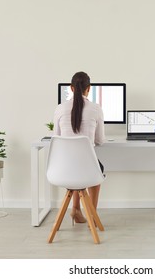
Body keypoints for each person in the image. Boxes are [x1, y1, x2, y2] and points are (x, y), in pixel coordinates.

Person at [53, 71, 105, 224]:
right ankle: (92, 216)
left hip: (63, 169)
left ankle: (75, 208)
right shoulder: (95, 109)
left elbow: (56, 137)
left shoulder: (60, 109)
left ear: (71, 88)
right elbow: (100, 140)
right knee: (93, 169)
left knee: (75, 165)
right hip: (86, 169)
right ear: (88, 89)